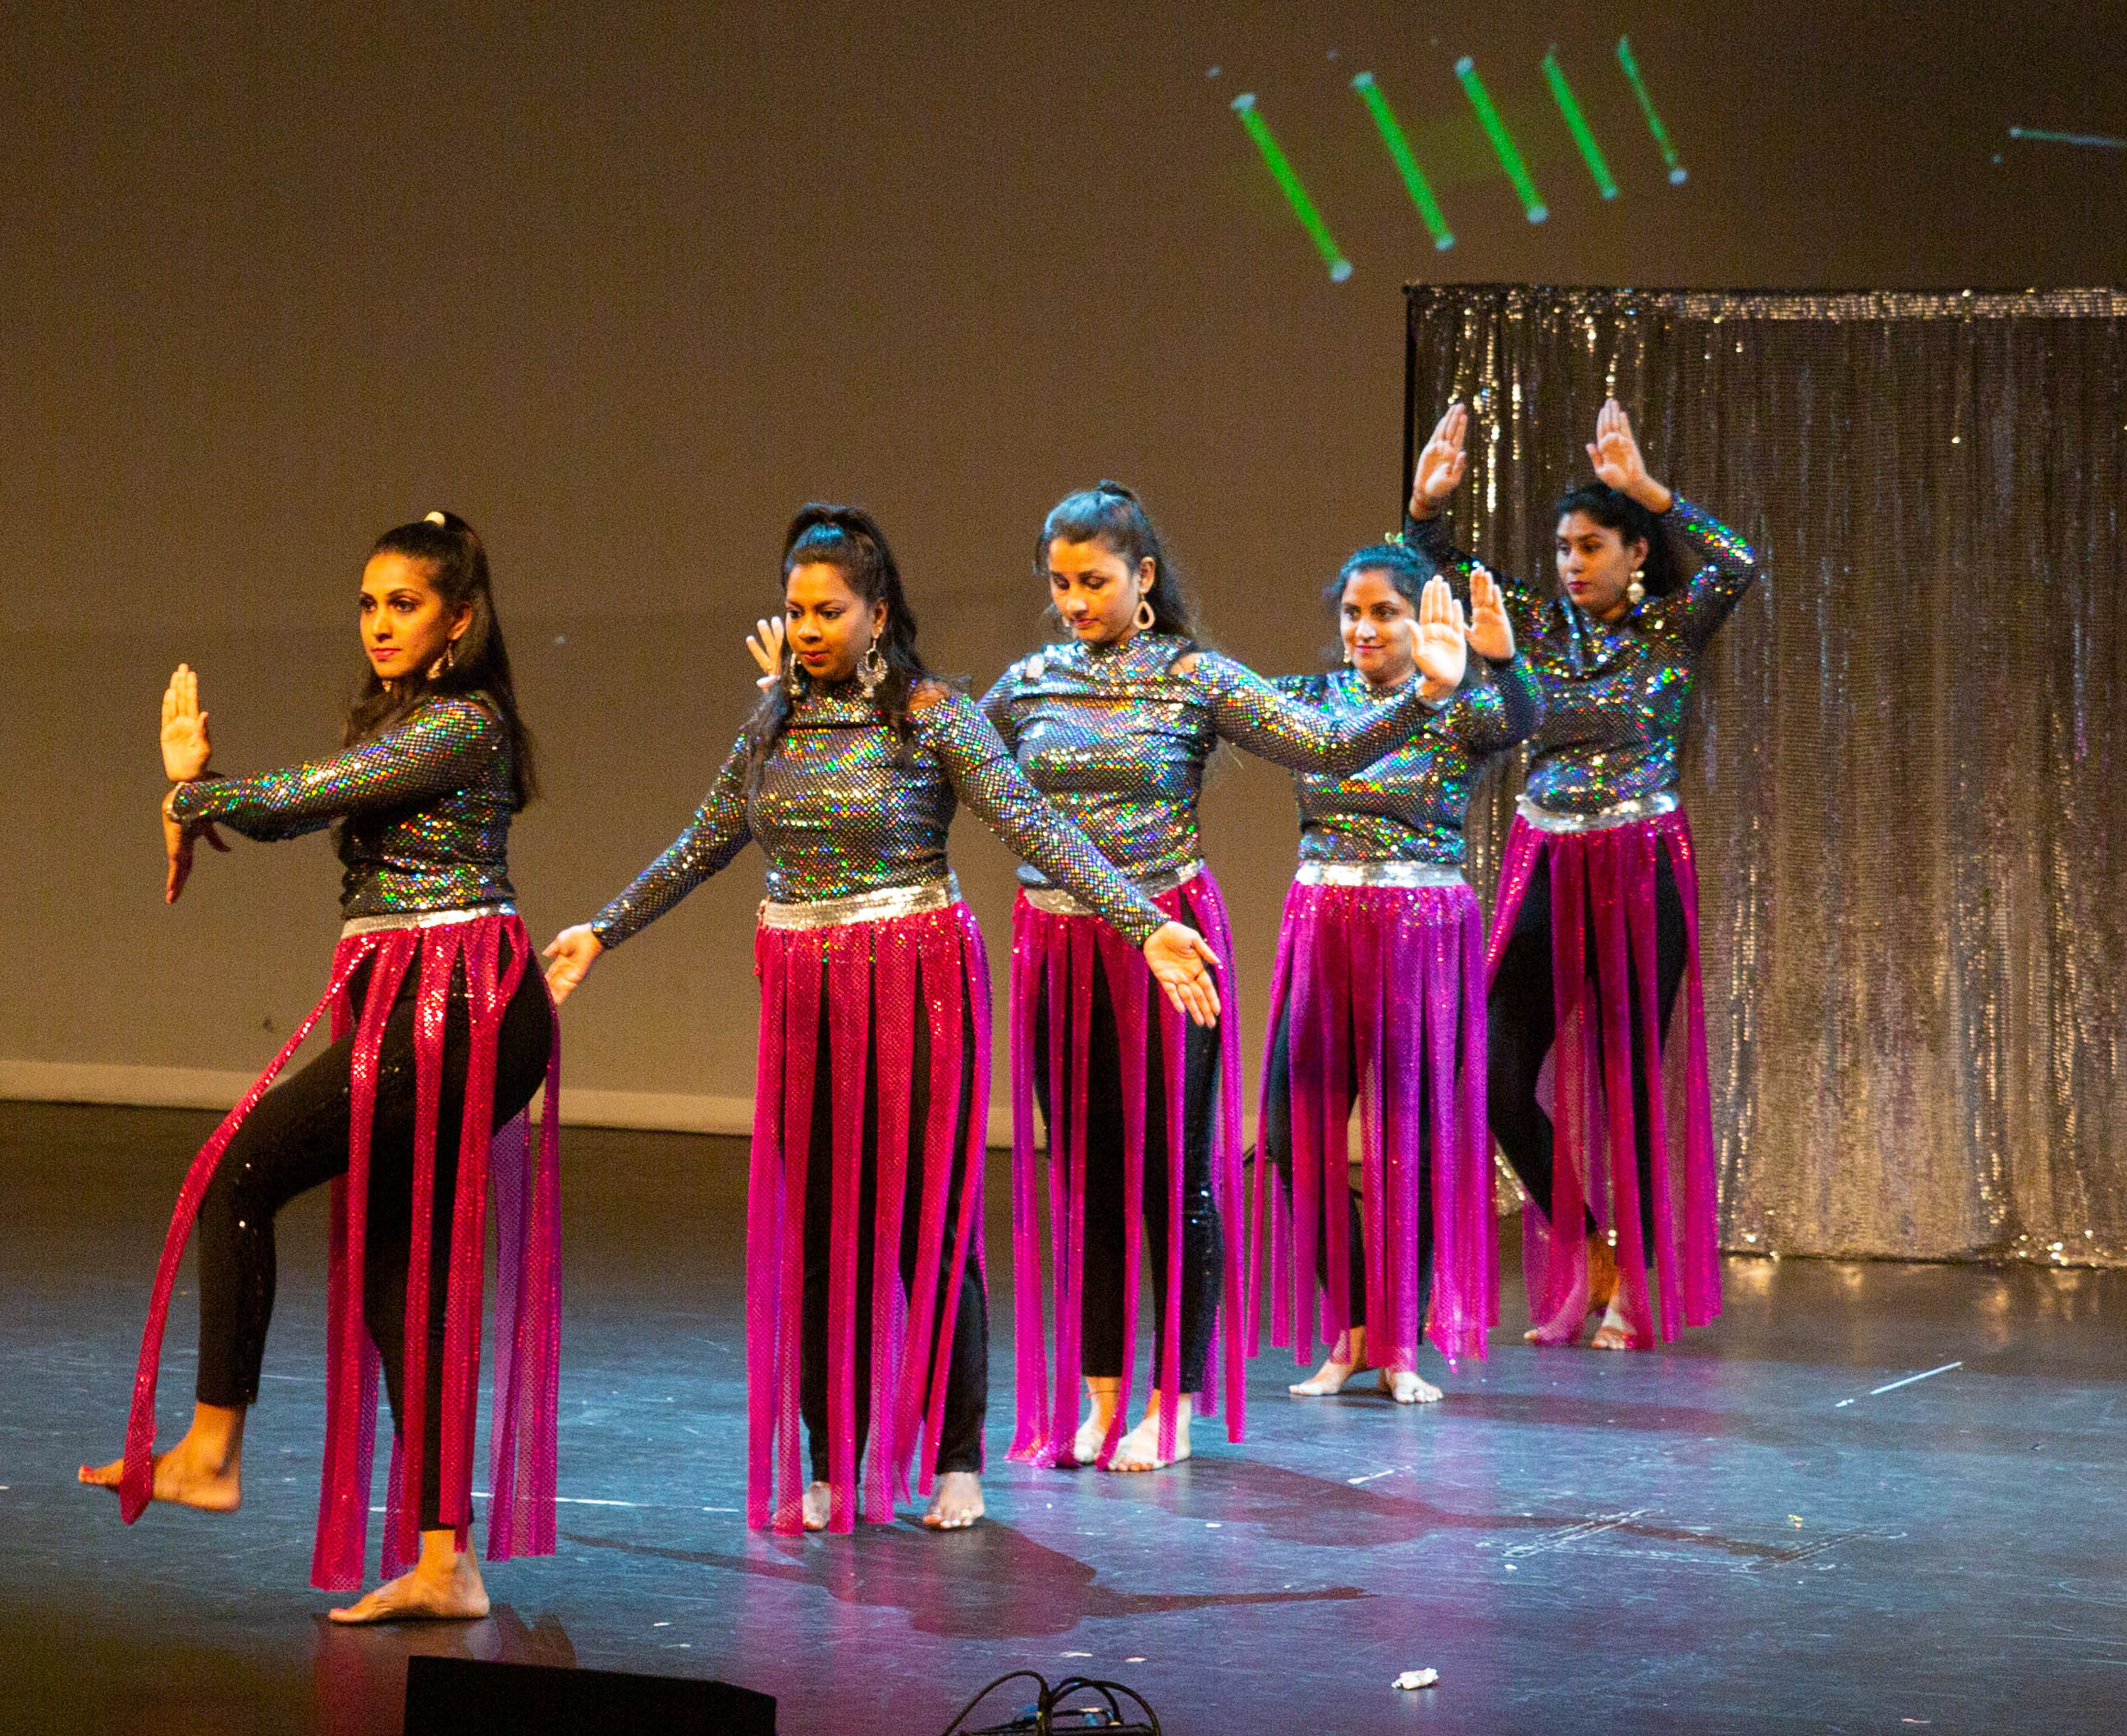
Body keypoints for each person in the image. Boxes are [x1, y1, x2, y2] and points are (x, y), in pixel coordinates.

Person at [543, 506, 1197, 1535]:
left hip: (917, 985)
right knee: (823, 1240)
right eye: (796, 610)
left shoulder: (934, 715)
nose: (808, 629)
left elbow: (1033, 822)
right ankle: (830, 1465)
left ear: (878, 614)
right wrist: (603, 929)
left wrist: (1141, 921)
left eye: (830, 611)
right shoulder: (772, 724)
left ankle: (955, 1461)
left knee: (927, 1233)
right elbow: (705, 839)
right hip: (806, 997)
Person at [87, 512, 562, 1621]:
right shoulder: (406, 717)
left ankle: (212, 1448)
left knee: (239, 1174)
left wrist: (192, 795)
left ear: (459, 620)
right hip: (428, 999)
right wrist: (201, 793)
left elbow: (305, 798)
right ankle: (446, 1563)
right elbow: (316, 798)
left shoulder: (463, 724)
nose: (380, 624)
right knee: (398, 1275)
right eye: (368, 604)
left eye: (405, 604)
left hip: (458, 1005)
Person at [981, 483, 1471, 1469]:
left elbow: (1322, 743)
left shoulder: (1192, 678)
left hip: (1171, 948)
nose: (1074, 601)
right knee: (1085, 1177)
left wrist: (1425, 696)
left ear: (1143, 577)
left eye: (1094, 581)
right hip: (1058, 947)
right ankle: (1102, 1397)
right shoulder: (1028, 683)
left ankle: (1173, 1403)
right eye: (1061, 583)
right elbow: (947, 762)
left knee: (1171, 1174)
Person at [1409, 400, 1763, 1349]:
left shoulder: (1671, 628)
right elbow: (1435, 566)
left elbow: (1737, 564)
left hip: (1640, 865)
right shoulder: (1530, 622)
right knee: (1492, 1073)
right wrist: (1426, 512)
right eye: (1564, 547)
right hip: (1549, 859)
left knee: (1627, 1085)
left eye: (1592, 546)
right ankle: (1587, 1252)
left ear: (1636, 552)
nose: (1571, 562)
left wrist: (1651, 491)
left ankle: (1635, 1287)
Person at [1246, 537, 1541, 1401]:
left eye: (1386, 613)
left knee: (1411, 1141)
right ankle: (1354, 1326)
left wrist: (1503, 663)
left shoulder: (1459, 705)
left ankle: (1400, 1343)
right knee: (1290, 1132)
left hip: (1420, 933)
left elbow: (1518, 720)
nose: (1365, 629)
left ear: (1422, 622)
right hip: (1324, 928)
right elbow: (1228, 708)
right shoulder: (1312, 702)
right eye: (1353, 613)